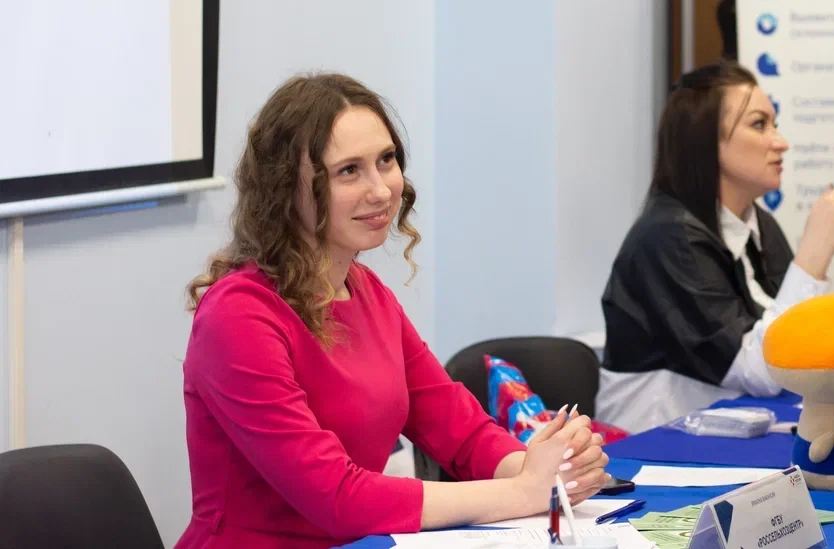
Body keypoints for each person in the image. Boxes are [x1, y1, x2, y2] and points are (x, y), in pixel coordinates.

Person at [177, 74, 610, 548]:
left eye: (386, 160)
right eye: (349, 171)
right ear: (286, 190)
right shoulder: (238, 316)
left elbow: (460, 431)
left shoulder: (366, 291)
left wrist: (546, 469)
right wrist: (524, 490)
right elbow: (337, 498)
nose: (382, 190)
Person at [599, 59, 834, 432]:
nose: (781, 143)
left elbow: (812, 337)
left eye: (775, 125)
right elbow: (765, 369)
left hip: (732, 426)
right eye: (758, 125)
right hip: (657, 440)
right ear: (704, 140)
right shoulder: (667, 238)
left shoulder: (756, 222)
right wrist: (814, 254)